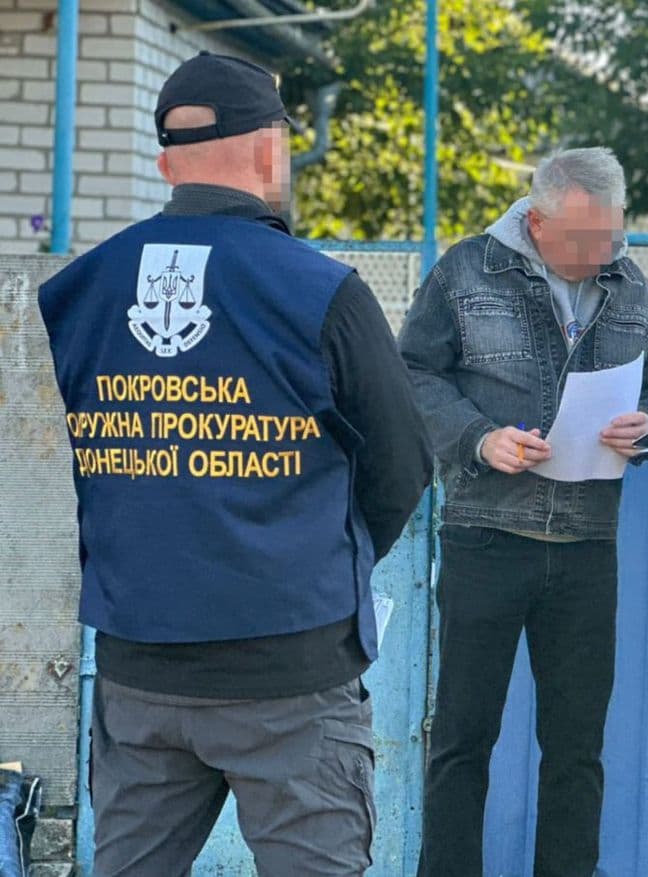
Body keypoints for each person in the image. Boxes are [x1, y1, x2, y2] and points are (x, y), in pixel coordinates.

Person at [37, 51, 433, 875]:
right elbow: (401, 464)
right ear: (270, 150)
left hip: (138, 668)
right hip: (289, 672)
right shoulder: (321, 291)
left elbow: (106, 454)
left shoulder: (80, 290)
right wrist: (316, 560)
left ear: (165, 166)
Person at [399, 146, 648, 877]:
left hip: (588, 546)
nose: (601, 255)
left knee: (577, 749)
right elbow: (411, 373)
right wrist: (479, 437)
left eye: (611, 236)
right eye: (583, 240)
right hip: (486, 536)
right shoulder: (465, 272)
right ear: (535, 221)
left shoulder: (635, 289)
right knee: (462, 740)